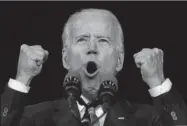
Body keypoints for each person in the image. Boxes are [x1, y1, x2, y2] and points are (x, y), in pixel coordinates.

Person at [1, 8, 187, 126]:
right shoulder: (36, 118)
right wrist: (22, 78)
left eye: (103, 40)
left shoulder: (147, 119)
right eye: (82, 39)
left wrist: (157, 82)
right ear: (65, 58)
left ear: (120, 60)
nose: (92, 48)